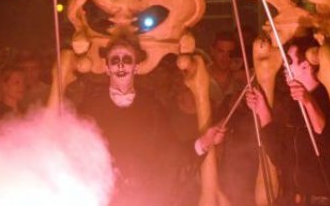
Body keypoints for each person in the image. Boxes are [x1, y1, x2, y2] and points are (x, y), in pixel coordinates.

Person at [76, 33, 225, 206]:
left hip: (144, 198)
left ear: (136, 67)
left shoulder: (151, 107)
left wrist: (203, 142)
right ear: (107, 68)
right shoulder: (91, 107)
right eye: (115, 60)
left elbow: (171, 155)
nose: (121, 65)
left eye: (127, 60)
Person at [246, 35, 330, 205]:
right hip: (294, 199)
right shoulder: (291, 102)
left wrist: (308, 102)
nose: (284, 67)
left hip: (325, 200)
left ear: (306, 65)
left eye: (289, 62)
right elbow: (280, 156)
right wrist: (262, 110)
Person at [207, 30, 244, 111]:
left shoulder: (241, 79)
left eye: (229, 53)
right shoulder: (201, 76)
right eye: (221, 51)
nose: (225, 57)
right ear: (212, 51)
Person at [0, 65, 26, 129]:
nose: (22, 86)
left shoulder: (25, 109)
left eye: (23, 82)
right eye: (16, 82)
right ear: (4, 86)